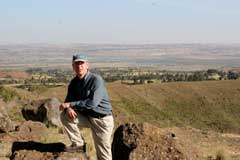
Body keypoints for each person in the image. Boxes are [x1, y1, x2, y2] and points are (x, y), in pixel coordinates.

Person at [59, 53, 114, 160]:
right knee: (65, 115)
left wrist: (71, 105)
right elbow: (68, 101)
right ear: (73, 66)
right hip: (88, 117)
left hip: (102, 120)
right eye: (76, 64)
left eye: (82, 63)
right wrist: (69, 108)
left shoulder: (96, 80)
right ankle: (78, 144)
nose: (79, 66)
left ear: (87, 65)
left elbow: (92, 103)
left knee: (103, 153)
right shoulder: (74, 82)